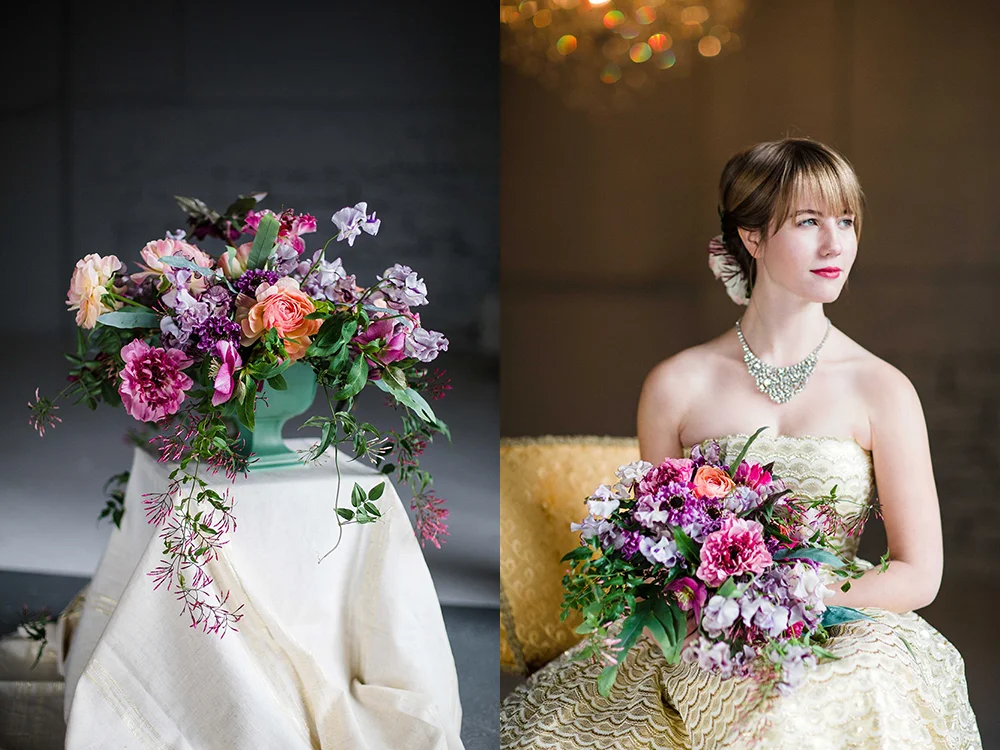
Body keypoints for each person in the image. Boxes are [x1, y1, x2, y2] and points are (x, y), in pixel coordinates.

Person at [499, 138, 982, 748]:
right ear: (749, 236)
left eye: (847, 221)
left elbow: (919, 573)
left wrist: (789, 602)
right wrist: (720, 607)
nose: (836, 244)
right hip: (707, 626)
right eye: (809, 222)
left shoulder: (882, 389)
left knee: (823, 701)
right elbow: (659, 546)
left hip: (845, 621)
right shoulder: (677, 384)